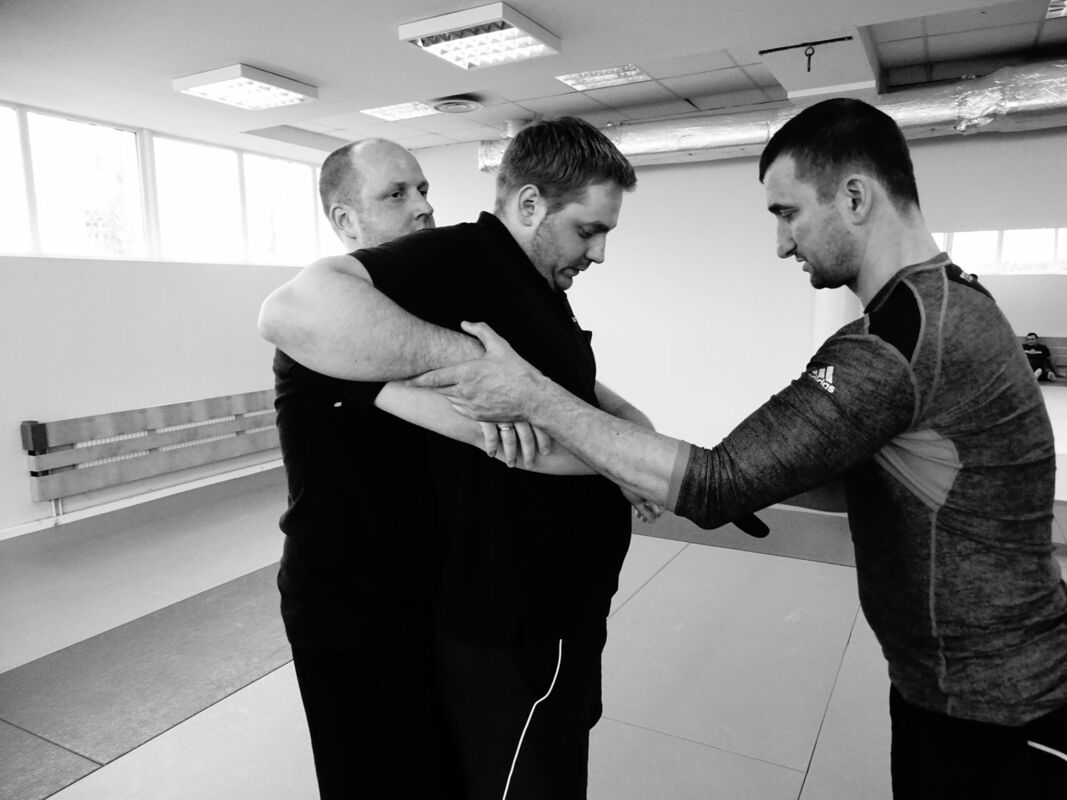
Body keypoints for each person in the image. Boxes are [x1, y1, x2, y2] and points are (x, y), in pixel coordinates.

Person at [412, 99, 1067, 798]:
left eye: (787, 213)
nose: (782, 244)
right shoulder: (945, 304)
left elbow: (718, 482)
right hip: (956, 685)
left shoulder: (899, 343)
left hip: (995, 705)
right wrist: (724, 474)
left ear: (854, 197)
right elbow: (871, 472)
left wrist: (530, 394)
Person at [259, 117, 660, 799]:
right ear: (345, 220)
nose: (422, 206)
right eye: (395, 194)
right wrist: (638, 462)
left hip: (428, 591)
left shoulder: (434, 306)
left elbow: (553, 396)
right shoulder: (331, 335)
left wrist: (622, 425)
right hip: (352, 602)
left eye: (422, 189)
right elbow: (512, 438)